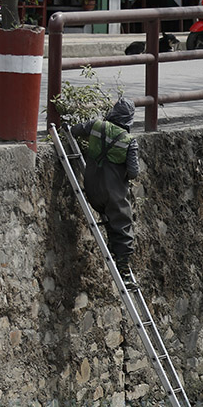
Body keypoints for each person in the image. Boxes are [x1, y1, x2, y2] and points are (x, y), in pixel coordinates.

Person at [69, 99, 141, 278]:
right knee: (122, 225)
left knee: (111, 219)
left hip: (91, 190)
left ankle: (113, 249)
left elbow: (74, 131)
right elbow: (133, 172)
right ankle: (123, 267)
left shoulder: (96, 125)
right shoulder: (129, 141)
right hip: (113, 195)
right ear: (129, 120)